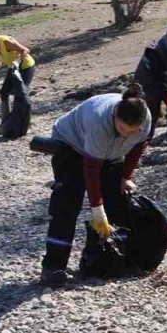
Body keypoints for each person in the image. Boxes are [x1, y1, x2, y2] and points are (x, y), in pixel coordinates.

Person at [40, 84, 152, 287]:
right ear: (115, 115)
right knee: (67, 202)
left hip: (110, 152)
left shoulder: (144, 120)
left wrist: (125, 176)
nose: (127, 135)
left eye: (132, 131)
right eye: (122, 129)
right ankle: (53, 267)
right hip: (72, 145)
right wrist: (96, 208)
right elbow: (91, 168)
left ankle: (109, 260)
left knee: (117, 200)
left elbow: (138, 146)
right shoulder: (99, 120)